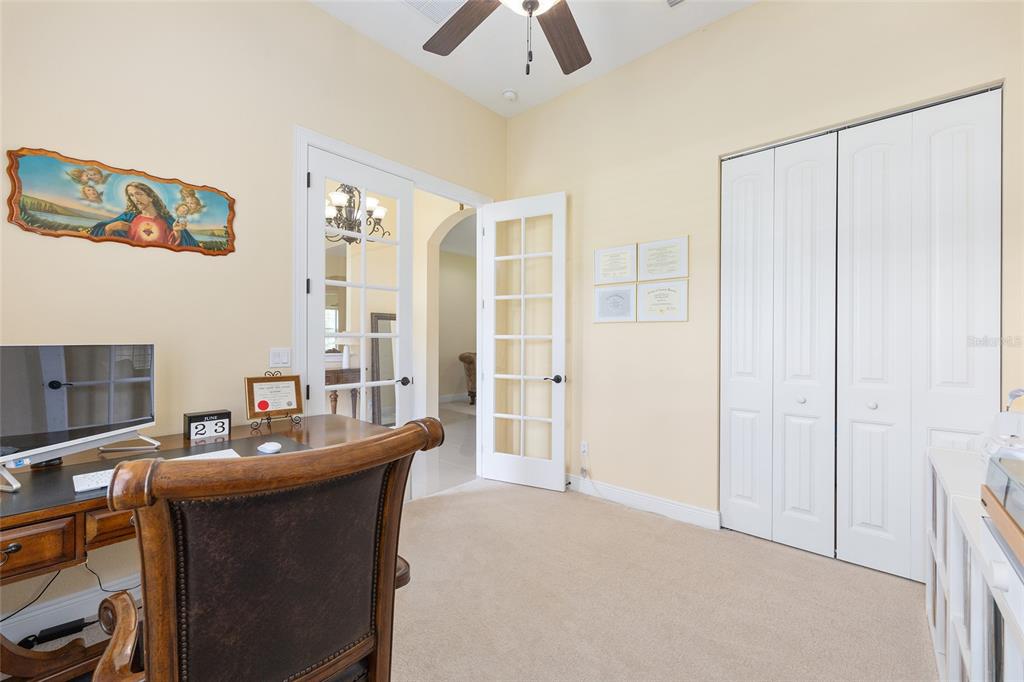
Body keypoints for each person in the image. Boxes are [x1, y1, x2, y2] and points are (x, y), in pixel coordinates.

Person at [91, 182, 199, 247]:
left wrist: (176, 232)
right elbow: (105, 238)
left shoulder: (166, 220)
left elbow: (173, 245)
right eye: (132, 195)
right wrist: (110, 227)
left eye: (139, 194)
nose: (135, 199)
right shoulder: (129, 217)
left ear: (150, 197)